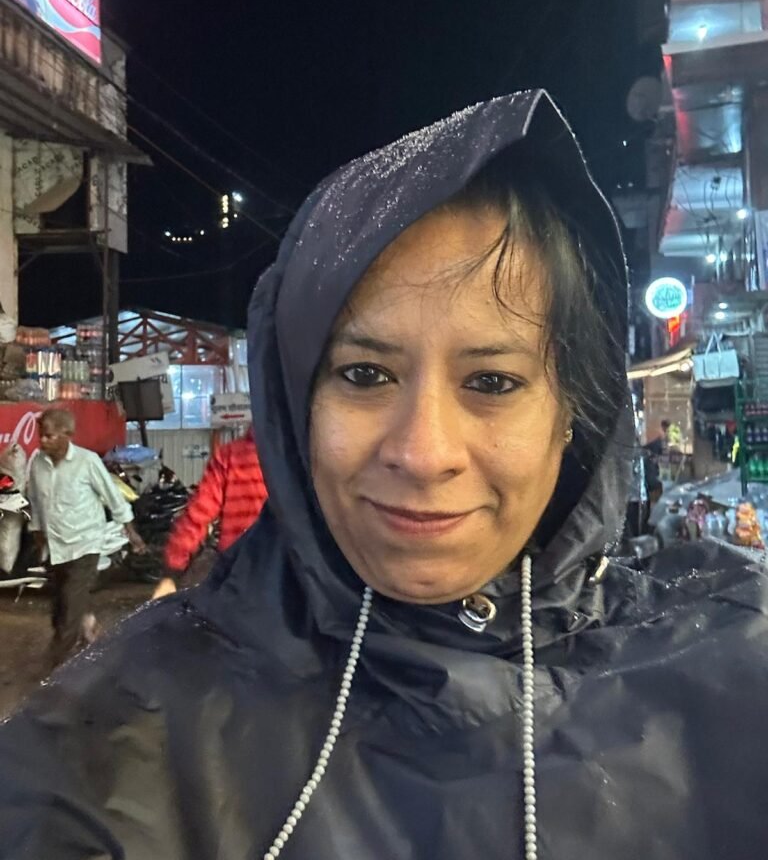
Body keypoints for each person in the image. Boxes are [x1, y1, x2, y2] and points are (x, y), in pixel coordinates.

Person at [0, 92, 767, 858]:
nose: (425, 452)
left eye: (492, 382)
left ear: (573, 413)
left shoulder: (729, 676)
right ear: (294, 402)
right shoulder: (111, 747)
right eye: (365, 375)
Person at [27, 407, 146, 668]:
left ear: (66, 435)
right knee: (59, 606)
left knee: (70, 606)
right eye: (41, 436)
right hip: (56, 545)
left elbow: (113, 497)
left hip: (85, 543)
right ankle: (89, 627)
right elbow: (36, 501)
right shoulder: (37, 463)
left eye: (49, 436)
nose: (43, 441)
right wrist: (38, 533)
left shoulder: (87, 462)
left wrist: (131, 531)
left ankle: (54, 668)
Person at [151, 426, 268, 598]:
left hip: (237, 568)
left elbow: (198, 514)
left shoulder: (229, 455)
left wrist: (172, 572)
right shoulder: (299, 456)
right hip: (289, 570)